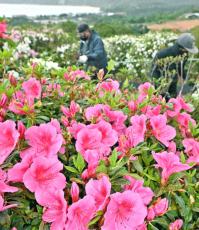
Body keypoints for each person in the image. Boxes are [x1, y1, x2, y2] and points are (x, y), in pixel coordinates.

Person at [151, 33, 198, 98]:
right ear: (181, 47)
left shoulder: (185, 54)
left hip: (173, 82)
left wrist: (184, 78)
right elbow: (154, 72)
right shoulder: (162, 54)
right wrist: (158, 86)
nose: (187, 51)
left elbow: (181, 68)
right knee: (160, 101)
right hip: (160, 82)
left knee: (173, 101)